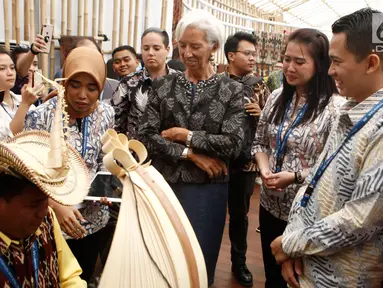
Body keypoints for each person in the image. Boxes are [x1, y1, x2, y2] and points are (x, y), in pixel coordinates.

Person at [271, 8, 383, 288]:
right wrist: (293, 246)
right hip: (308, 267)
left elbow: (361, 219)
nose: (330, 70)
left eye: (336, 61)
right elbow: (314, 181)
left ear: (370, 63)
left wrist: (292, 243)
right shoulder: (350, 108)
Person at [138, 10, 245, 286]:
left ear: (214, 48)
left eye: (195, 46)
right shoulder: (162, 85)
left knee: (199, 261)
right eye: (182, 45)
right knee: (162, 259)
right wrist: (192, 154)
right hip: (164, 186)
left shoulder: (231, 90)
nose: (186, 52)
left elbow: (233, 144)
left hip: (207, 190)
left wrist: (185, 135)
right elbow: (147, 135)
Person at [252, 28, 341, 288]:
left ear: (320, 64)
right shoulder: (277, 97)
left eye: (299, 61)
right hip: (269, 204)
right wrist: (264, 168)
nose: (289, 67)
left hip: (304, 212)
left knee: (297, 278)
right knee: (272, 275)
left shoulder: (333, 108)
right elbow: (259, 142)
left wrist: (295, 176)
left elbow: (332, 167)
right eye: (286, 59)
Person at [25, 46, 115, 282]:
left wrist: (107, 188)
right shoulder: (41, 115)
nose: (82, 95)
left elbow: (105, 159)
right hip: (51, 222)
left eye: (92, 87)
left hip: (92, 221)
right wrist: (54, 204)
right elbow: (25, 170)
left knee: (83, 276)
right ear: (64, 82)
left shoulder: (106, 113)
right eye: (75, 85)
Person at [0, 116, 89, 286]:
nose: (44, 211)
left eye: (46, 200)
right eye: (33, 204)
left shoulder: (47, 219)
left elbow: (70, 277)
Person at [222, 31, 269, 287]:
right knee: (214, 212)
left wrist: (261, 114)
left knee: (240, 216)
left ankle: (239, 263)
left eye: (254, 53)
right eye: (247, 53)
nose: (253, 58)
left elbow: (272, 125)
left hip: (247, 162)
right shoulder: (217, 82)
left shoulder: (260, 85)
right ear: (231, 55)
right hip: (219, 161)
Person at [111, 27, 178, 139]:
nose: (150, 53)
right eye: (146, 48)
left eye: (156, 48)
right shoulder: (128, 83)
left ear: (167, 49)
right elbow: (115, 122)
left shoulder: (180, 81)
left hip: (171, 152)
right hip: (135, 152)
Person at [0, 47, 42, 141]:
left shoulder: (21, 99)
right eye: (2, 69)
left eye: (12, 68)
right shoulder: (25, 101)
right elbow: (7, 138)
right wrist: (25, 104)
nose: (10, 73)